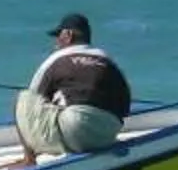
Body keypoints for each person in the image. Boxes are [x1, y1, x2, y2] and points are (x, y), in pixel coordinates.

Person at [14, 11, 131, 161]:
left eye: (58, 36)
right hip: (108, 134)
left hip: (75, 132)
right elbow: (125, 106)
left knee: (22, 98)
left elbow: (34, 99)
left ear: (68, 35)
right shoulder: (107, 59)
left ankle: (28, 160)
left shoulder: (57, 59)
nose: (56, 42)